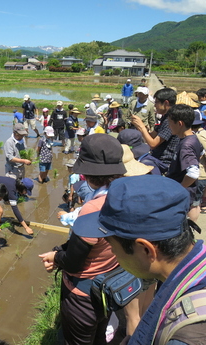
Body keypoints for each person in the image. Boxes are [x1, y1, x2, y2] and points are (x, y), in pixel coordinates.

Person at [73, 175, 206, 345]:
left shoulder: (186, 337)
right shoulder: (193, 268)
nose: (114, 253)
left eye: (111, 245)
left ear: (145, 249)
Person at [39, 134, 127, 345]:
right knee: (99, 335)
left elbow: (73, 261)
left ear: (87, 174)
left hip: (83, 294)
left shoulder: (92, 208)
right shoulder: (125, 195)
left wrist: (55, 256)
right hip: (109, 282)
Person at [166, 104, 203, 222]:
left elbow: (193, 173)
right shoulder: (193, 138)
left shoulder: (186, 145)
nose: (168, 125)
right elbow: (201, 152)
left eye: (170, 122)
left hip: (182, 194)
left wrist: (180, 188)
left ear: (180, 123)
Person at [131, 88, 179, 175]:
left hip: (164, 162)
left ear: (166, 103)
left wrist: (142, 127)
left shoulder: (171, 119)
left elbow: (153, 144)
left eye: (156, 102)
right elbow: (156, 135)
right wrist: (145, 129)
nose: (155, 105)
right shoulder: (166, 117)